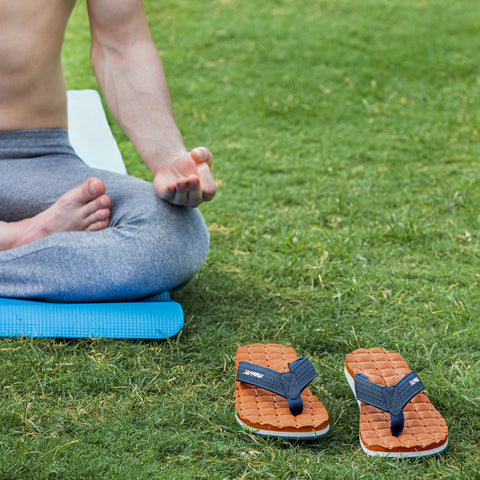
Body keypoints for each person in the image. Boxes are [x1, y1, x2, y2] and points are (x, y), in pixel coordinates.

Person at [0, 0, 216, 302]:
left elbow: (122, 42)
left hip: (33, 159)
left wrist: (168, 157)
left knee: (172, 232)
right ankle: (18, 238)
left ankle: (23, 238)